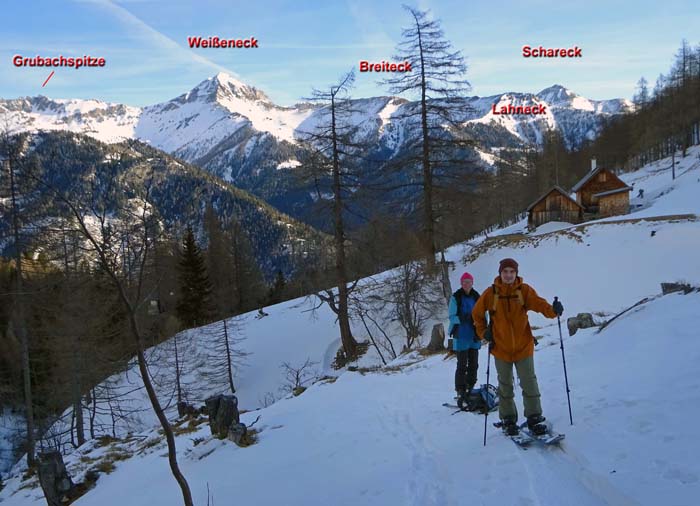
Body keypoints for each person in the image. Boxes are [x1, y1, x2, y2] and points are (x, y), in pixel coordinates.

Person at [472, 258, 563, 436]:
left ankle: (534, 418)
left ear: (516, 273)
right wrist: (484, 333)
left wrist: (553, 310)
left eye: (512, 272)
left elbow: (539, 304)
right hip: (501, 348)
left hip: (523, 346)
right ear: (500, 273)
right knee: (505, 386)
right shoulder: (491, 293)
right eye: (505, 272)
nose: (508, 275)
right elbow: (476, 314)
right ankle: (508, 420)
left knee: (529, 383)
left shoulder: (524, 290)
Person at [447, 272, 481, 409]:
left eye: (469, 281)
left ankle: (471, 386)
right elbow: (451, 316)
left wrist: (482, 328)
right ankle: (461, 390)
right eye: (464, 282)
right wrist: (463, 318)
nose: (467, 284)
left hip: (474, 335)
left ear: (472, 283)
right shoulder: (456, 297)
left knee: (474, 364)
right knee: (462, 365)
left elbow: (483, 313)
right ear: (461, 283)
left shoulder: (477, 296)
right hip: (461, 335)